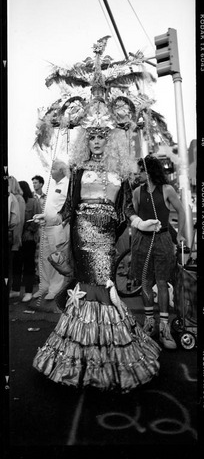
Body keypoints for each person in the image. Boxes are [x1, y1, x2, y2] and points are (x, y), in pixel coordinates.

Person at [32, 122, 161, 394]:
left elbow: (127, 211)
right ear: (86, 143)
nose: (97, 142)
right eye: (92, 138)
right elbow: (67, 209)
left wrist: (142, 224)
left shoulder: (120, 173)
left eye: (102, 137)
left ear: (109, 141)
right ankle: (78, 361)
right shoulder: (78, 172)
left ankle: (108, 357)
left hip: (106, 236)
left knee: (105, 284)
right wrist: (49, 218)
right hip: (83, 234)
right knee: (89, 287)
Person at [130, 155, 186, 350]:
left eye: (141, 171)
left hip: (162, 239)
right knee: (145, 282)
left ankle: (164, 326)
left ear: (149, 171)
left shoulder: (167, 190)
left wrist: (179, 235)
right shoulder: (137, 192)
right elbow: (134, 216)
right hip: (142, 241)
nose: (138, 175)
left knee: (162, 283)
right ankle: (149, 322)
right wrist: (133, 243)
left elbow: (181, 211)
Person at [32, 160, 69, 301]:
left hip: (58, 227)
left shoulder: (66, 185)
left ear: (61, 171)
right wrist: (42, 217)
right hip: (45, 225)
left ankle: (55, 288)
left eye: (53, 169)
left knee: (56, 258)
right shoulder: (51, 184)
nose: (50, 171)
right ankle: (44, 286)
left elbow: (65, 208)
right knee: (43, 257)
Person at [11, 181, 41, 302]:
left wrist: (29, 230)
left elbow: (37, 219)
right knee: (16, 265)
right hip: (17, 238)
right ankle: (16, 289)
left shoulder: (33, 202)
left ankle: (28, 291)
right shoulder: (15, 201)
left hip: (28, 238)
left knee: (28, 265)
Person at [9, 177, 26, 298]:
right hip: (12, 237)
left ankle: (14, 289)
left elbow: (18, 222)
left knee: (13, 266)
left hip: (13, 238)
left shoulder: (17, 199)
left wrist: (16, 241)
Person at [32, 175, 46, 281]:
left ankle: (39, 274)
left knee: (41, 251)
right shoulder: (31, 197)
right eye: (33, 183)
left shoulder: (46, 198)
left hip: (42, 228)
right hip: (32, 227)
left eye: (36, 182)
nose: (34, 184)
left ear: (41, 184)